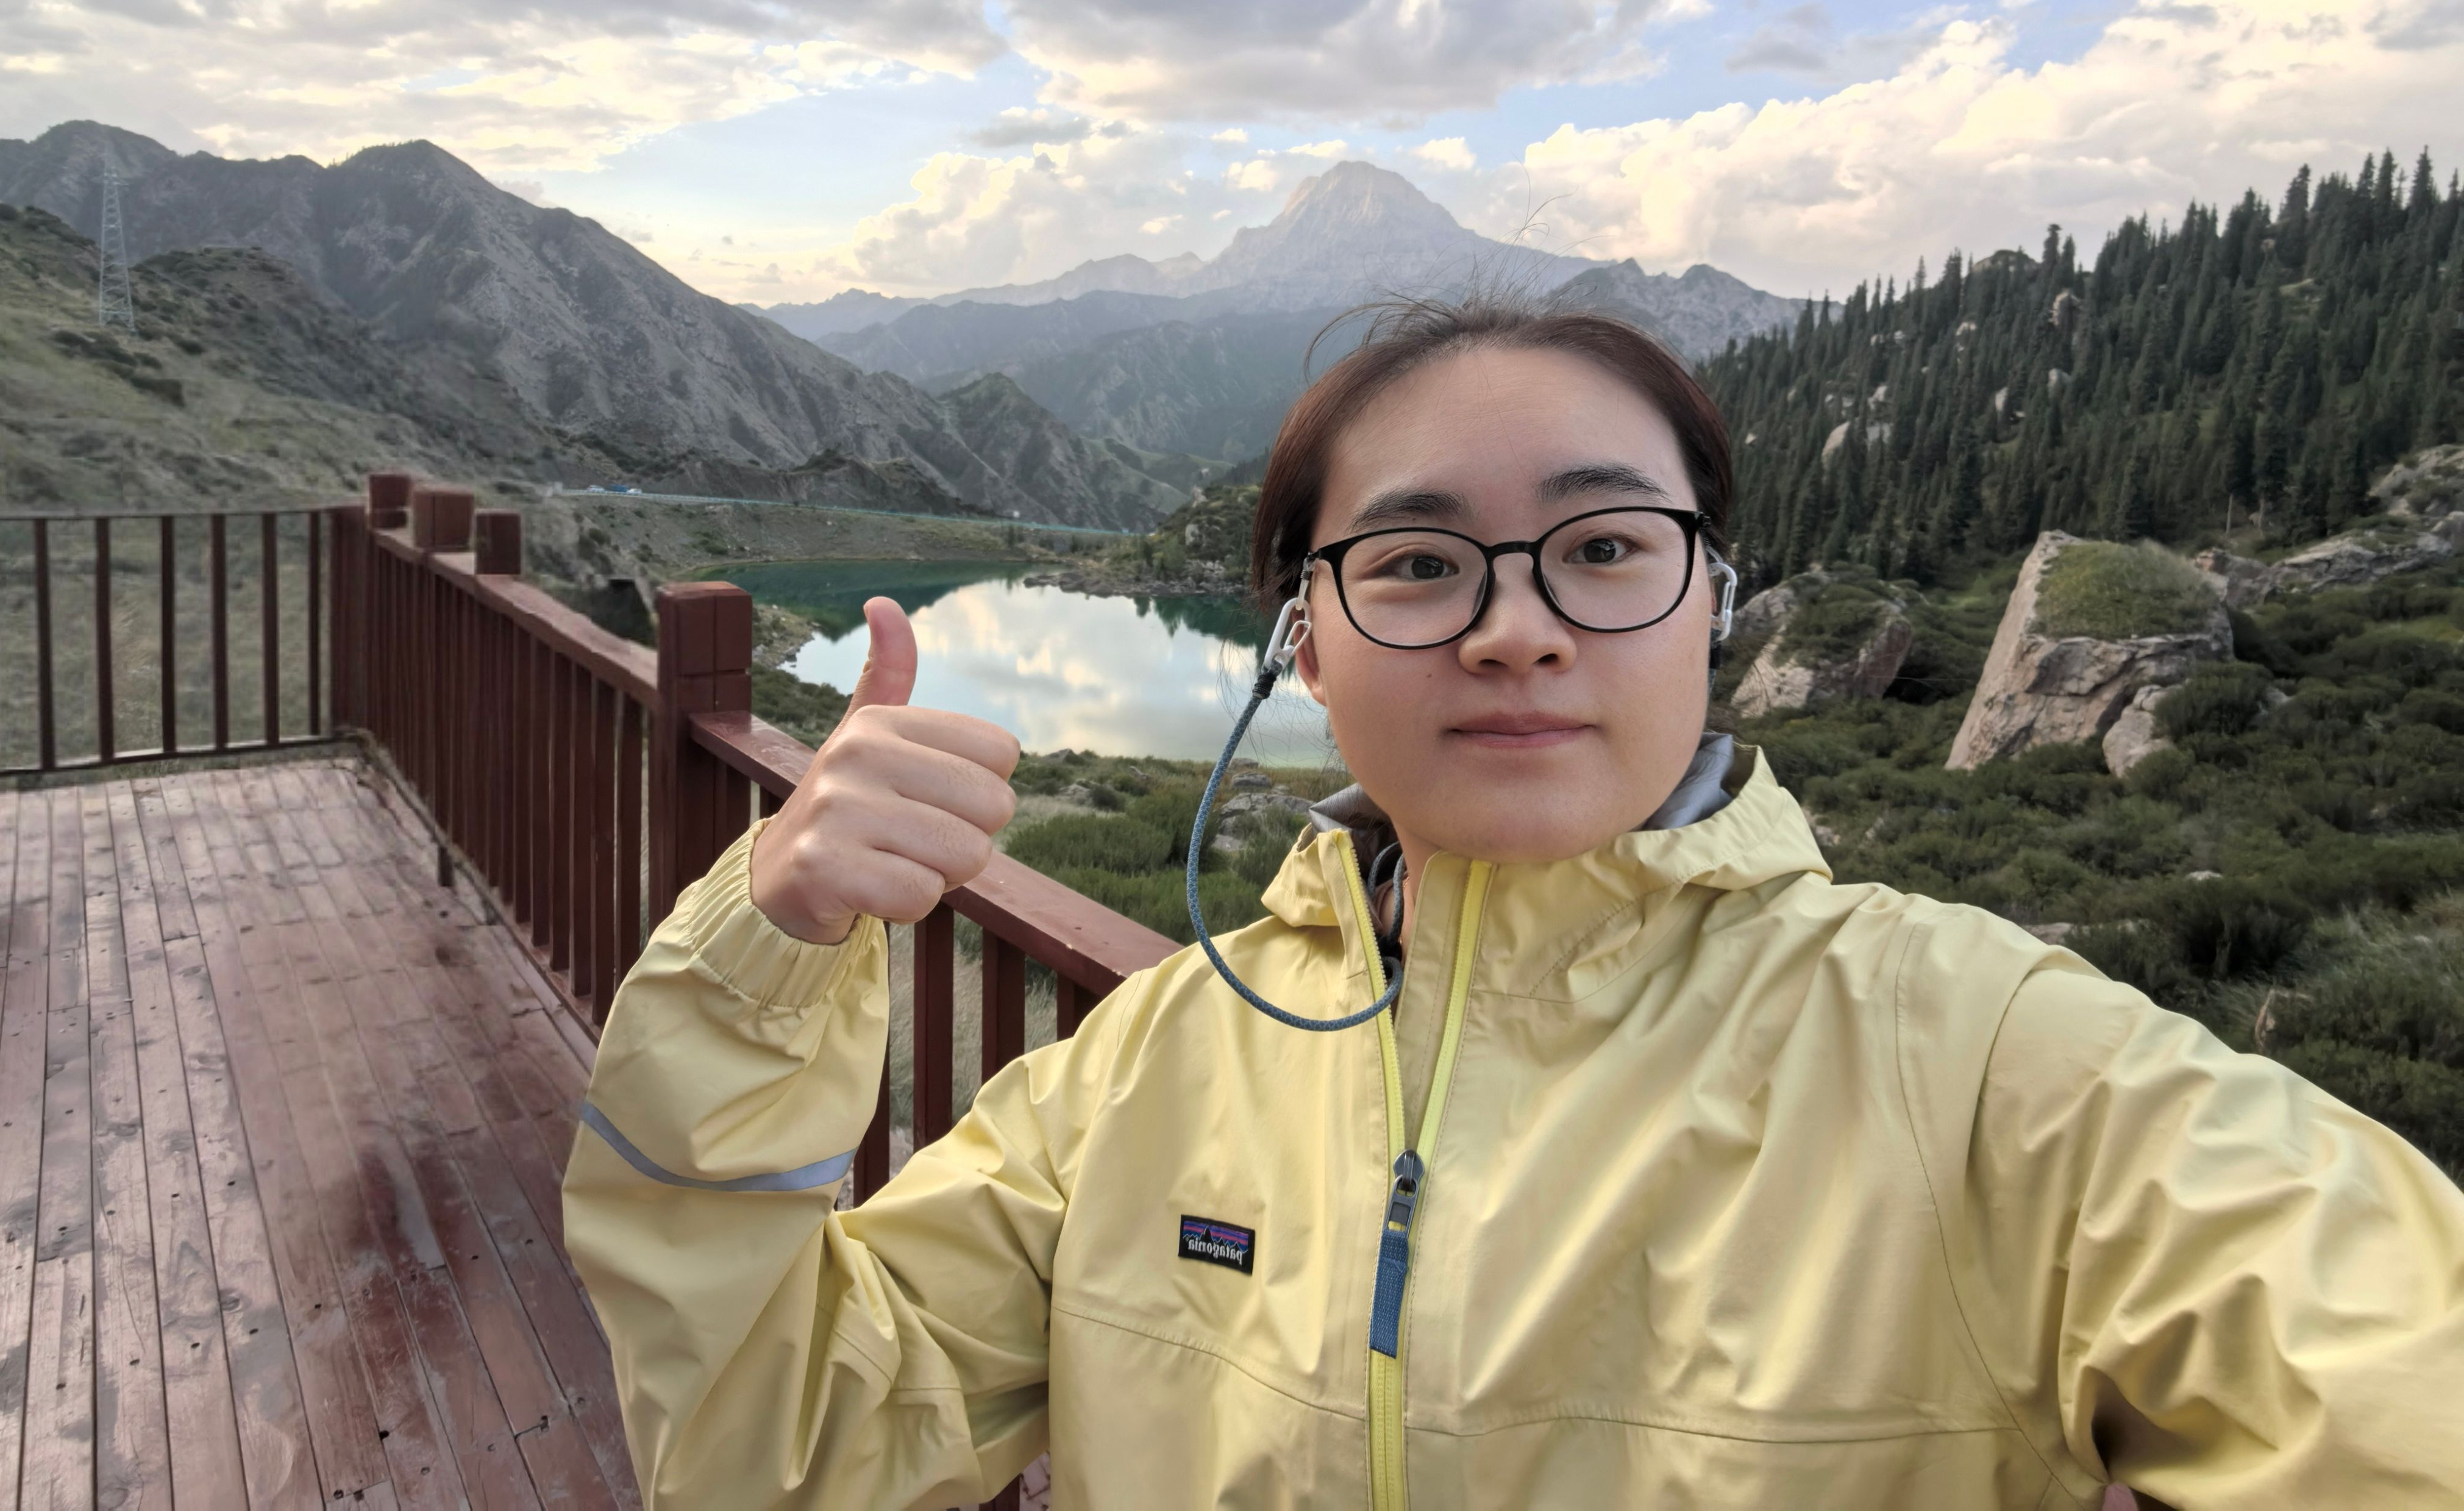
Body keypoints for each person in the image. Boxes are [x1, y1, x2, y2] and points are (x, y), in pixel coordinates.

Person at [563, 298, 2464, 1510]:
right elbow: (775, 1456)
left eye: (1607, 547)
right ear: (1304, 644)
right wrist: (768, 958)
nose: (1518, 627)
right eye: (1416, 563)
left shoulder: (1989, 1060)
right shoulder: (1144, 1070)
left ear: (1714, 604)